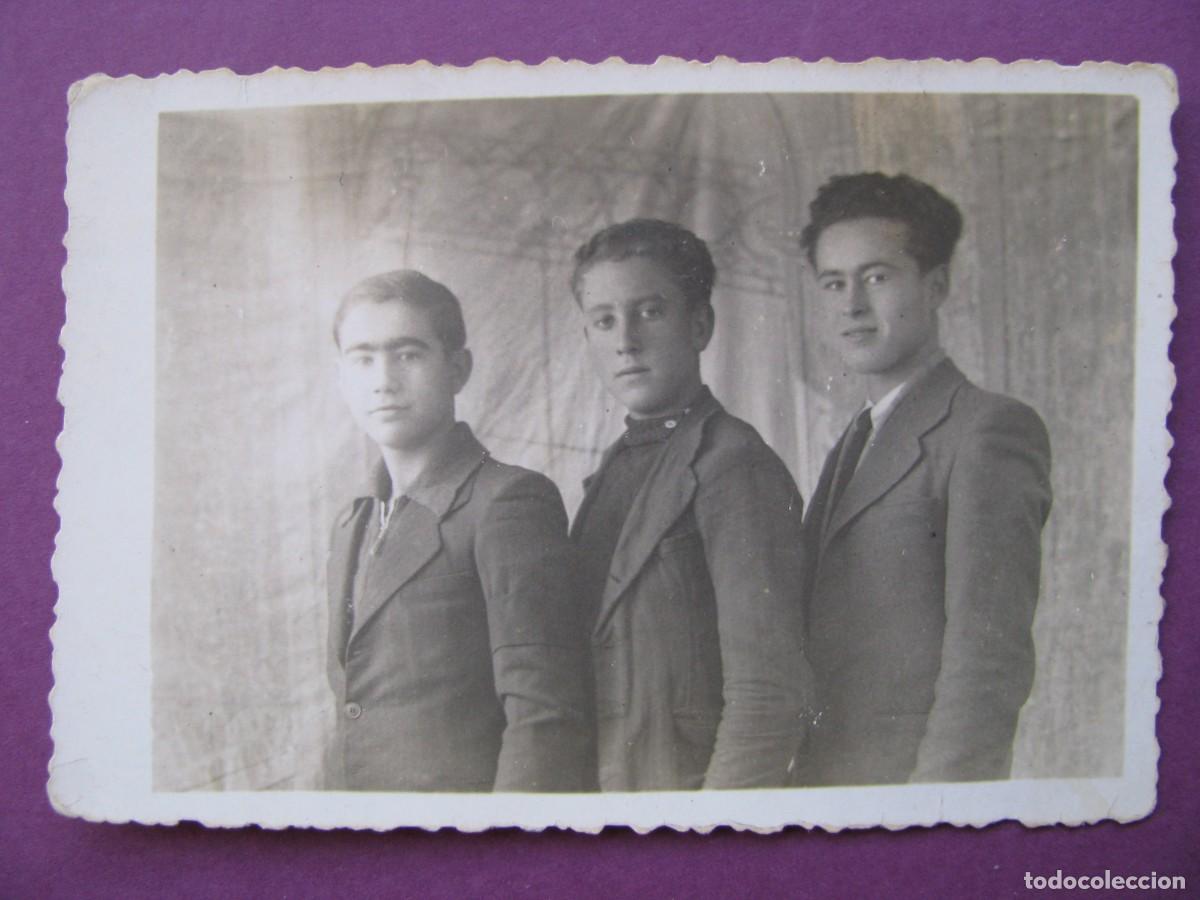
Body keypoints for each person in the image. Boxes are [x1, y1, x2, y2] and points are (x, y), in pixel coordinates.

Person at [796, 173, 1053, 785]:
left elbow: (987, 665)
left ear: (936, 285)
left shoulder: (986, 430)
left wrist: (934, 819)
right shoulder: (856, 440)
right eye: (833, 283)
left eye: (876, 278)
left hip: (907, 798)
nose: (851, 305)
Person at [569, 219, 814, 791]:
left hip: (688, 809)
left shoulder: (733, 464)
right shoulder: (616, 467)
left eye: (650, 311)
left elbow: (769, 694)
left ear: (700, 325)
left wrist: (713, 833)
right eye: (604, 320)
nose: (626, 340)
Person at [325, 269, 591, 792]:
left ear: (457, 368)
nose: (383, 380)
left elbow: (544, 719)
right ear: (342, 378)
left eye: (408, 354)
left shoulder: (507, 502)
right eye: (363, 359)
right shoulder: (352, 521)